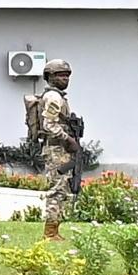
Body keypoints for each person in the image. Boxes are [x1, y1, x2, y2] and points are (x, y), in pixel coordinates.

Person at [28, 59, 80, 240]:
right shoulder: (53, 97)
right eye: (60, 75)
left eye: (67, 75)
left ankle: (54, 230)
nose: (65, 78)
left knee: (63, 187)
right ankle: (50, 233)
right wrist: (68, 139)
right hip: (56, 149)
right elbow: (49, 125)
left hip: (60, 150)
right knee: (57, 189)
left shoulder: (57, 96)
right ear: (49, 77)